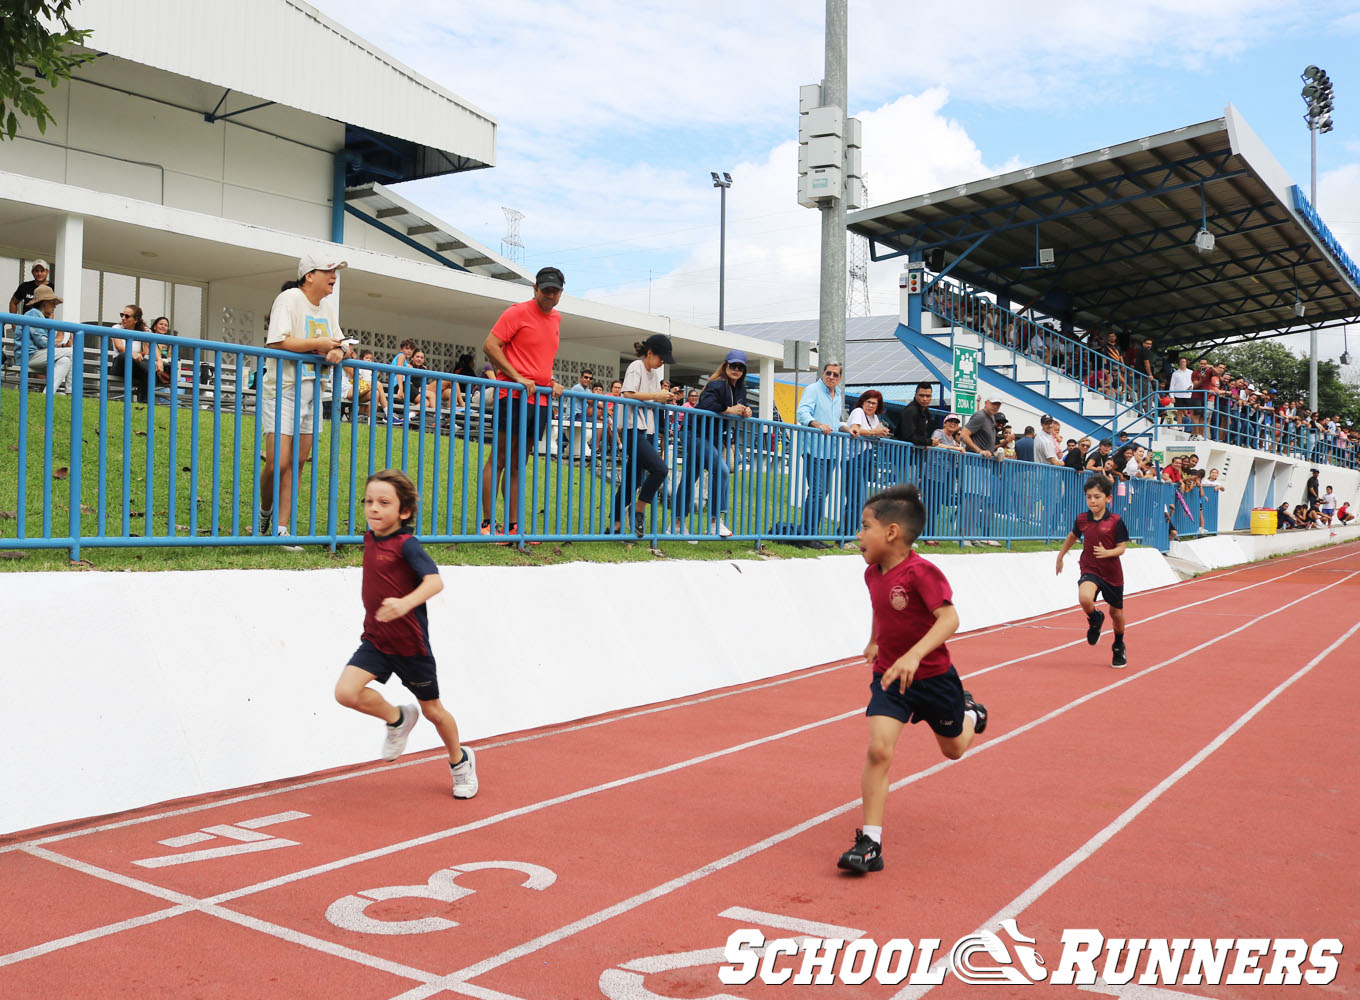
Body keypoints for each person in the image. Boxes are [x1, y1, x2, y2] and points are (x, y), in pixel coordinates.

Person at [837, 484, 988, 874]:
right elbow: (880, 607)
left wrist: (915, 655)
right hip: (889, 676)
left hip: (934, 678)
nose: (858, 534)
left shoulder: (923, 572)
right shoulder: (872, 573)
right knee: (879, 750)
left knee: (953, 749)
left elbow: (950, 619)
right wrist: (874, 641)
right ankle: (870, 842)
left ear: (891, 532)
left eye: (864, 526)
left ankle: (971, 713)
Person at [333, 469, 478, 798]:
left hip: (410, 646)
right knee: (346, 693)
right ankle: (397, 719)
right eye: (368, 501)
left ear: (404, 511)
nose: (373, 508)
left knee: (434, 712)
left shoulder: (407, 546)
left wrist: (404, 604)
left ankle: (460, 761)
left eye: (384, 502)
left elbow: (435, 581)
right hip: (376, 640)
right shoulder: (370, 537)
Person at [257, 252, 348, 548]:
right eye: (328, 271)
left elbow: (341, 342)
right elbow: (277, 341)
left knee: (297, 463)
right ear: (310, 275)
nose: (334, 276)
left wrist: (339, 351)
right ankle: (264, 515)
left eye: (336, 272)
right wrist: (319, 344)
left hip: (313, 391)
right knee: (277, 463)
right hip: (284, 389)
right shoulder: (290, 298)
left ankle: (280, 530)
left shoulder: (328, 308)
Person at [479, 266, 567, 537]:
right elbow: (490, 345)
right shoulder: (516, 312)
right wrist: (517, 376)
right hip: (513, 394)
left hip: (538, 399)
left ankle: (513, 525)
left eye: (555, 291)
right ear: (535, 289)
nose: (550, 295)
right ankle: (487, 524)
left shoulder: (557, 319)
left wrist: (550, 381)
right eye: (546, 290)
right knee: (501, 458)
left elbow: (540, 358)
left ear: (561, 293)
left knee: (520, 462)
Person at [1055, 474, 1130, 668]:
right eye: (1089, 496)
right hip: (1090, 568)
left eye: (1097, 496)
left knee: (1116, 613)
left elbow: (1122, 548)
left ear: (1108, 498)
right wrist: (1061, 556)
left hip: (1112, 573)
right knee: (1085, 598)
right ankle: (1095, 618)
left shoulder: (1115, 521)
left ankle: (1118, 644)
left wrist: (1108, 552)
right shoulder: (1082, 519)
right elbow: (1073, 536)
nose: (1093, 501)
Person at [675, 349, 751, 538]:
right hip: (696, 433)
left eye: (740, 367)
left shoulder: (740, 388)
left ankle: (676, 524)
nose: (736, 370)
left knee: (691, 475)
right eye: (733, 365)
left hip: (713, 436)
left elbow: (739, 407)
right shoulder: (717, 383)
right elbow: (707, 404)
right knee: (722, 470)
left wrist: (746, 411)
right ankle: (715, 521)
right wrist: (729, 409)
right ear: (725, 366)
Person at [613, 335, 673, 537]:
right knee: (660, 469)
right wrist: (656, 396)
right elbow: (628, 393)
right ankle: (638, 509)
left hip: (647, 428)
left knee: (633, 478)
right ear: (650, 353)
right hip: (632, 428)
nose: (662, 362)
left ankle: (615, 524)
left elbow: (650, 399)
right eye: (661, 358)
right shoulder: (636, 367)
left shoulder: (654, 375)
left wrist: (664, 398)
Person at [796, 361, 854, 538]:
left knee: (823, 492)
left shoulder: (838, 395)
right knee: (817, 491)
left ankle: (812, 532)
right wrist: (817, 424)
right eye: (828, 373)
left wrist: (846, 429)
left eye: (835, 375)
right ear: (823, 373)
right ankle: (809, 532)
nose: (831, 377)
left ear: (840, 378)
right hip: (814, 448)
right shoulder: (813, 389)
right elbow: (802, 412)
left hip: (832, 451)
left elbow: (835, 421)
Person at [839, 389, 891, 534]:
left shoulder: (874, 418)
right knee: (856, 498)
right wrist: (875, 432)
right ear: (862, 402)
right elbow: (855, 429)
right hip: (853, 458)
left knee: (860, 499)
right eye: (868, 402)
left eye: (874, 403)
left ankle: (847, 533)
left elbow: (876, 431)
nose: (870, 405)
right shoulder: (858, 412)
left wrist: (881, 432)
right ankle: (844, 534)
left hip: (865, 458)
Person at [15, 285, 74, 393]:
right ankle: (70, 393)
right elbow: (43, 343)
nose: (54, 306)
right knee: (73, 352)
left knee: (65, 361)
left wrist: (62, 346)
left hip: (37, 357)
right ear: (44, 302)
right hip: (28, 357)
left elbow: (45, 344)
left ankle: (47, 394)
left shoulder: (41, 317)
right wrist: (59, 340)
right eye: (53, 303)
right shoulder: (33, 314)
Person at [110, 304, 164, 402]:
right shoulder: (116, 328)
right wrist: (131, 353)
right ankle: (153, 370)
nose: (123, 318)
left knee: (148, 369)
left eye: (127, 316)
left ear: (136, 320)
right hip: (120, 365)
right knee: (125, 355)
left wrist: (159, 360)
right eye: (122, 315)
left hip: (137, 367)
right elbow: (119, 347)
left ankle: (144, 403)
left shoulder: (144, 331)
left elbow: (153, 346)